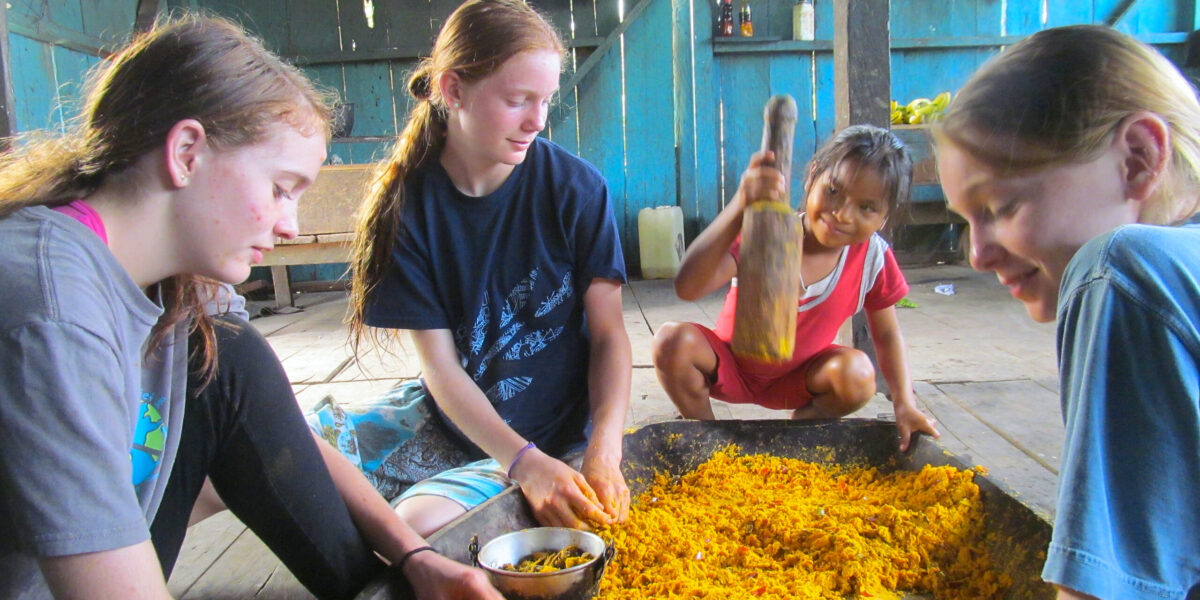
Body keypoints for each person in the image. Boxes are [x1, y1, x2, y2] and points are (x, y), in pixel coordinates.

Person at [0, 15, 501, 600]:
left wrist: (413, 556)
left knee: (233, 357)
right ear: (187, 151)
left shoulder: (178, 281)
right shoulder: (52, 308)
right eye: (280, 189)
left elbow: (280, 432)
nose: (290, 224)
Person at [346, 0, 632, 536]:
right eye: (518, 100)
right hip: (460, 423)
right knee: (290, 449)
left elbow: (610, 335)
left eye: (545, 100)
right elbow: (442, 369)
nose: (538, 120)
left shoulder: (575, 189)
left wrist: (606, 445)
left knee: (418, 525)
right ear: (453, 90)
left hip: (561, 430)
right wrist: (519, 463)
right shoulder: (407, 207)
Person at [935, 25, 1200, 600]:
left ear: (1137, 158)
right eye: (964, 221)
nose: (977, 254)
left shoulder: (1127, 271)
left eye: (1001, 205)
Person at [653, 125, 940, 450]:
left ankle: (796, 435)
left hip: (799, 381)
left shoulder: (872, 257)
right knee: (671, 340)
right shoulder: (768, 234)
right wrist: (740, 206)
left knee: (858, 375)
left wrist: (904, 403)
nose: (842, 214)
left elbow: (887, 336)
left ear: (884, 218)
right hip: (729, 368)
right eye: (833, 191)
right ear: (812, 176)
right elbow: (689, 288)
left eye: (866, 207)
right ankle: (705, 436)